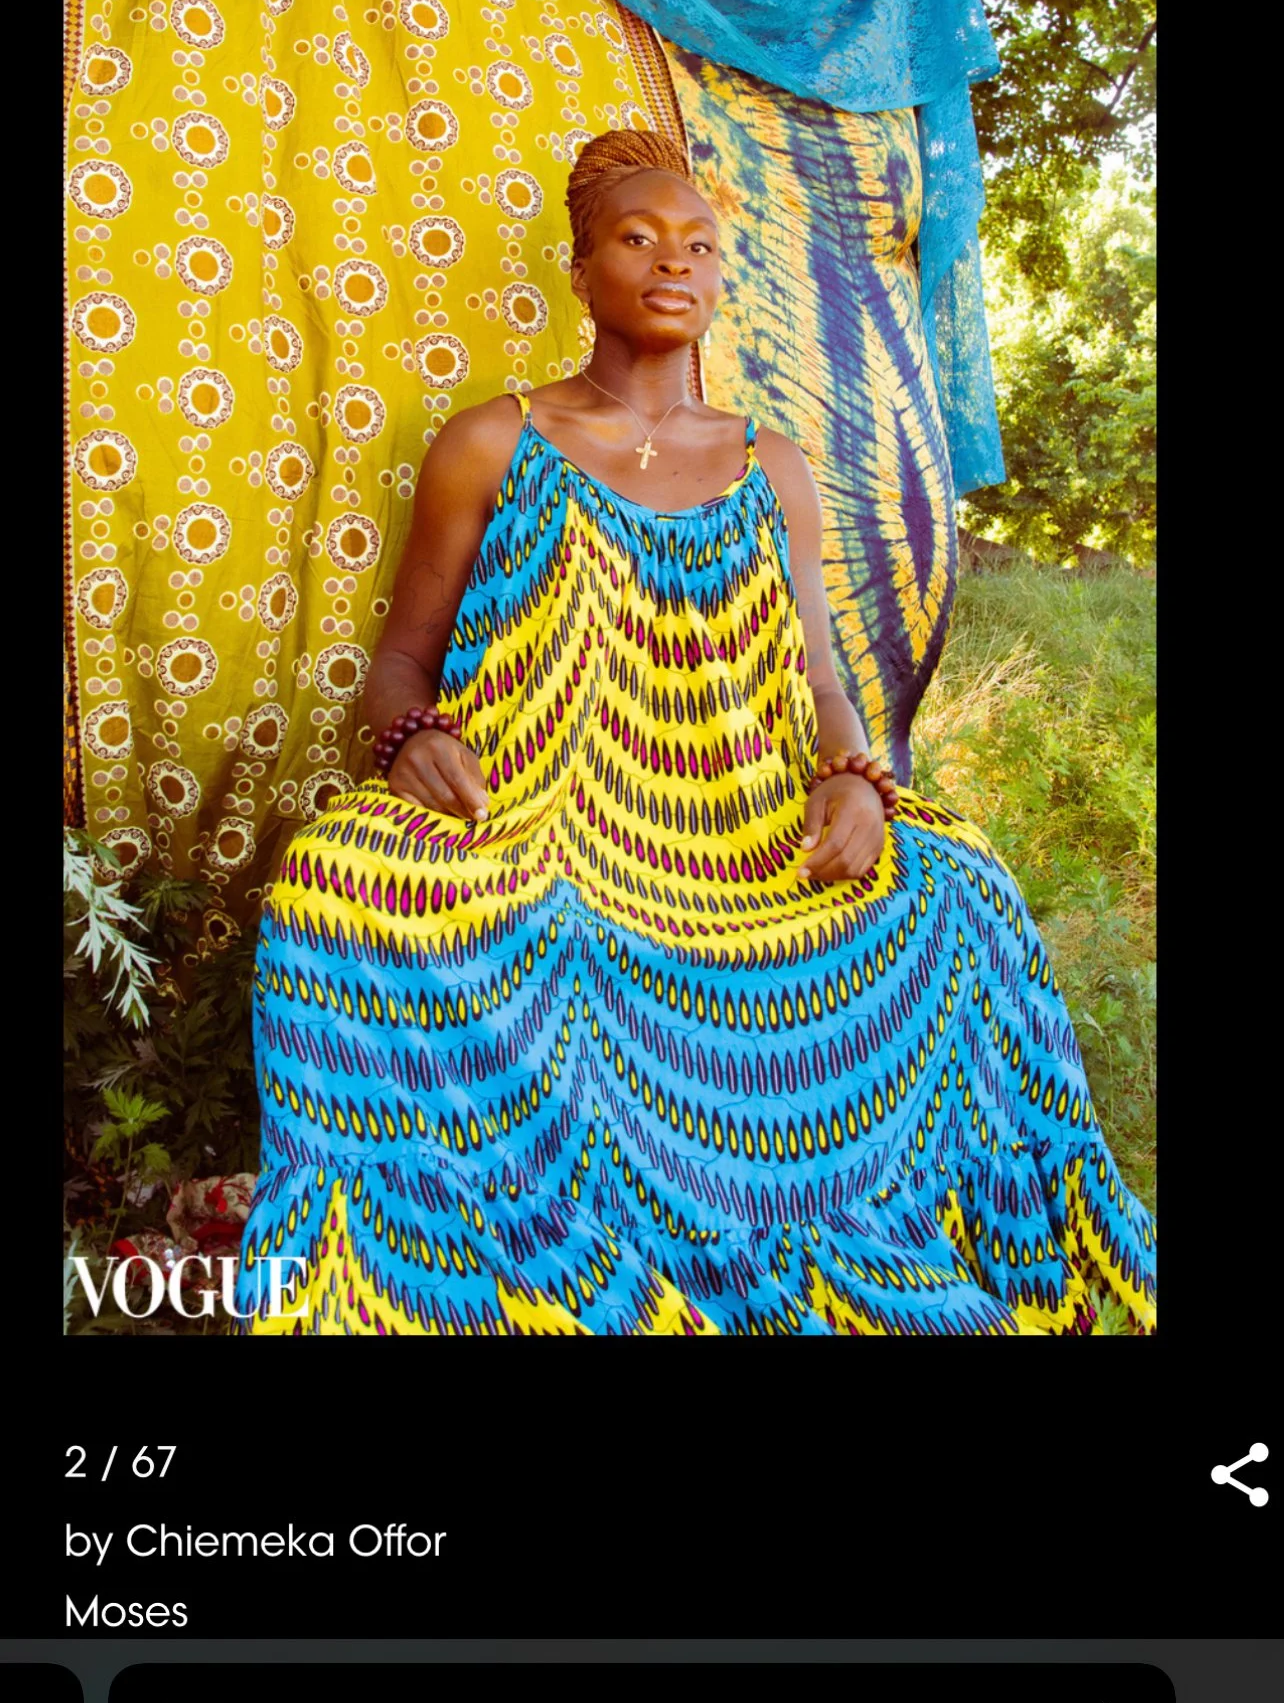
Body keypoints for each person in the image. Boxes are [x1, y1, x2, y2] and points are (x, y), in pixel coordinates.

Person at [234, 127, 1156, 1336]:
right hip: (536, 819)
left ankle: (892, 1223)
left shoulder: (773, 464)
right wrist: (410, 736)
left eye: (701, 244)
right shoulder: (491, 441)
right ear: (581, 271)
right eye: (638, 238)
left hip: (743, 828)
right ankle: (461, 1245)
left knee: (962, 888)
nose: (675, 261)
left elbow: (823, 675)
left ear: (722, 276)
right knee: (331, 884)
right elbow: (401, 655)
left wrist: (856, 778)